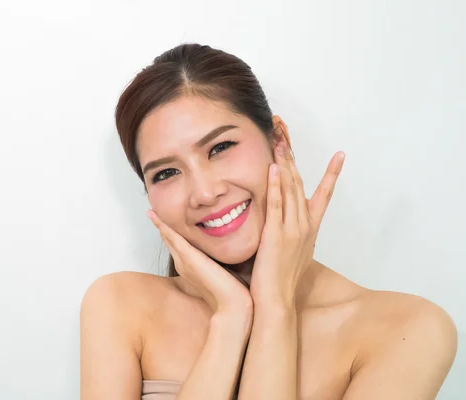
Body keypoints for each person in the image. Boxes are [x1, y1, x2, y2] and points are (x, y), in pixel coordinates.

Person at [80, 43, 458, 399]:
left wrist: (274, 307)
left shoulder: (407, 330)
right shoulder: (121, 306)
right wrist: (231, 318)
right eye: (165, 173)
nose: (204, 193)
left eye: (220, 148)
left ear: (279, 141)